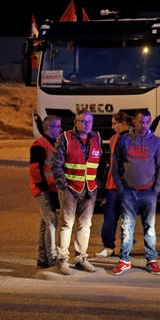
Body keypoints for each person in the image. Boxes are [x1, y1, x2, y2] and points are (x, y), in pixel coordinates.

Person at [111, 108, 160, 275]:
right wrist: (121, 188)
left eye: (147, 122)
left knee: (150, 228)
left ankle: (151, 260)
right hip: (129, 192)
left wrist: (155, 189)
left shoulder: (156, 142)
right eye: (141, 121)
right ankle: (125, 260)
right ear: (134, 122)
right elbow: (115, 165)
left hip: (148, 192)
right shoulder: (124, 140)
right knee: (127, 227)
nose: (144, 125)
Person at [51, 110, 103, 275]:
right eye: (83, 121)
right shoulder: (65, 138)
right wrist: (64, 185)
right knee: (67, 224)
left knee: (85, 225)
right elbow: (56, 164)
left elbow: (102, 163)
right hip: (70, 188)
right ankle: (63, 259)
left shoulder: (96, 138)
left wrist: (97, 183)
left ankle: (81, 258)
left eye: (90, 122)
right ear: (76, 122)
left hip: (90, 189)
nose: (87, 125)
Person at [96, 112, 131, 258]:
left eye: (115, 123)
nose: (112, 126)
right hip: (112, 186)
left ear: (123, 123)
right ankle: (108, 247)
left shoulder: (133, 139)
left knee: (127, 220)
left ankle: (125, 248)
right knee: (110, 219)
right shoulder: (113, 138)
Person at [30, 115, 62, 268]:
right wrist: (43, 188)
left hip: (50, 189)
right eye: (58, 126)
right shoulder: (39, 145)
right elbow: (35, 170)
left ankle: (42, 258)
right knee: (51, 221)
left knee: (45, 224)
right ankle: (51, 258)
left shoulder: (52, 144)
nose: (60, 129)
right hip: (43, 190)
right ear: (49, 128)